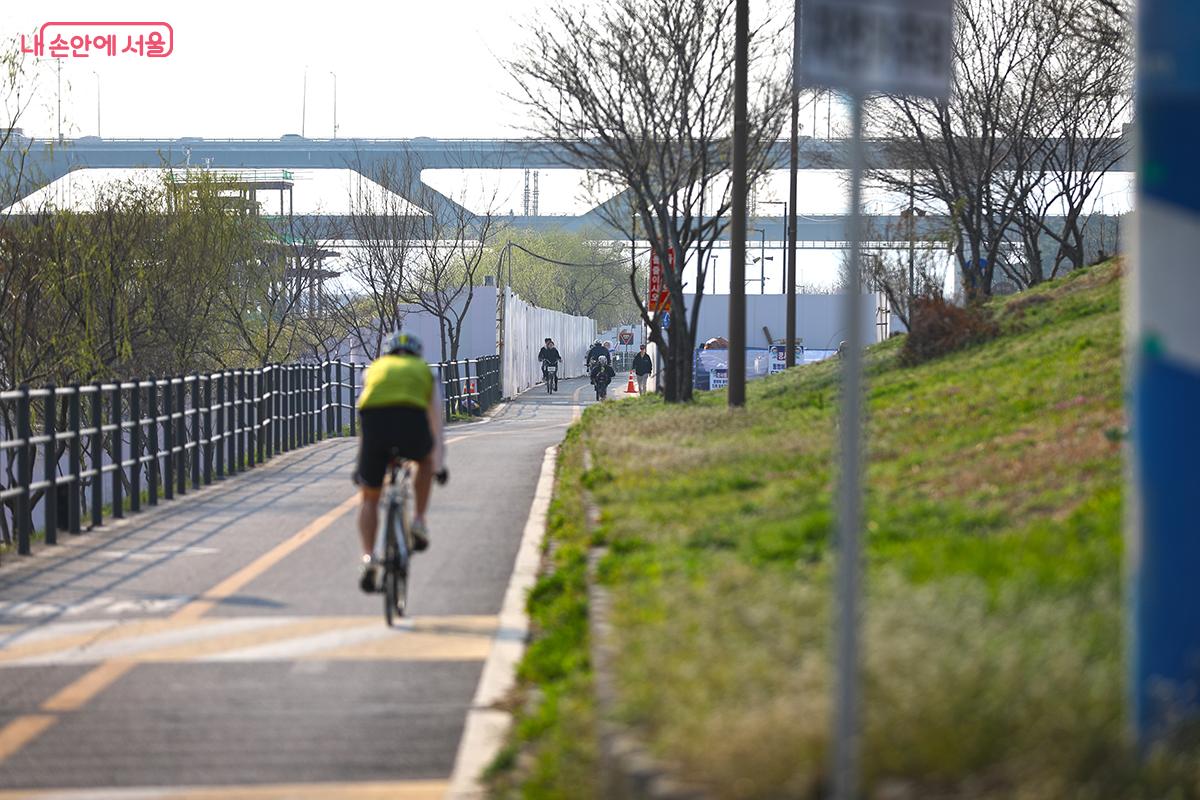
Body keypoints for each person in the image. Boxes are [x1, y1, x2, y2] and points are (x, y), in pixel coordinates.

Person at [354, 331, 448, 593]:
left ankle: (369, 558)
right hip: (410, 421)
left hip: (375, 425)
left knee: (370, 497)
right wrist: (438, 466)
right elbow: (435, 424)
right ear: (417, 354)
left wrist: (360, 465)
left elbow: (363, 417)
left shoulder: (373, 369)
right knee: (424, 462)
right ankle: (418, 521)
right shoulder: (426, 372)